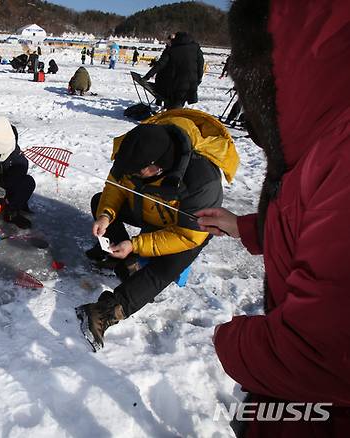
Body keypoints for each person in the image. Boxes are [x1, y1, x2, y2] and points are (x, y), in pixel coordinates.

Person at [196, 0, 350, 435]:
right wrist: (244, 227)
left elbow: (324, 354)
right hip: (288, 398)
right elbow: (312, 221)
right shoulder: (320, 139)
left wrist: (233, 343)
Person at [77, 110, 239, 351]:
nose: (131, 174)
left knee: (175, 260)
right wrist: (106, 215)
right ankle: (128, 264)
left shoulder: (202, 180)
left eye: (138, 172)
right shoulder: (134, 149)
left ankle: (107, 311)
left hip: (183, 229)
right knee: (99, 200)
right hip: (145, 208)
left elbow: (187, 235)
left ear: (157, 167)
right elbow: (115, 187)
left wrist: (136, 243)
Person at [142, 32, 204, 110]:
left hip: (177, 84)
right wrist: (199, 78)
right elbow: (200, 64)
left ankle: (172, 119)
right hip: (191, 83)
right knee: (180, 102)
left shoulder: (172, 49)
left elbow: (160, 64)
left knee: (174, 106)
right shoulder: (196, 47)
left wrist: (147, 77)